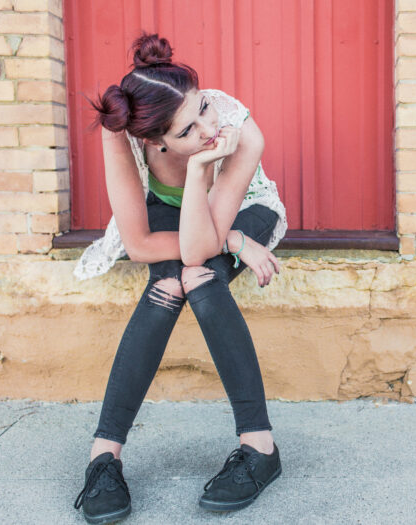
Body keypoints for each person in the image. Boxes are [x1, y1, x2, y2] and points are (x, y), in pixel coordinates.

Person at [70, 31, 287, 523]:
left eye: (204, 107)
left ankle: (260, 447)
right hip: (183, 224)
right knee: (168, 284)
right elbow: (144, 243)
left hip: (245, 209)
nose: (210, 128)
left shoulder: (237, 131)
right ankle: (104, 459)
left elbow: (200, 247)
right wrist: (226, 239)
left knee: (199, 278)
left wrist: (224, 223)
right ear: (153, 141)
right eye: (188, 131)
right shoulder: (123, 134)